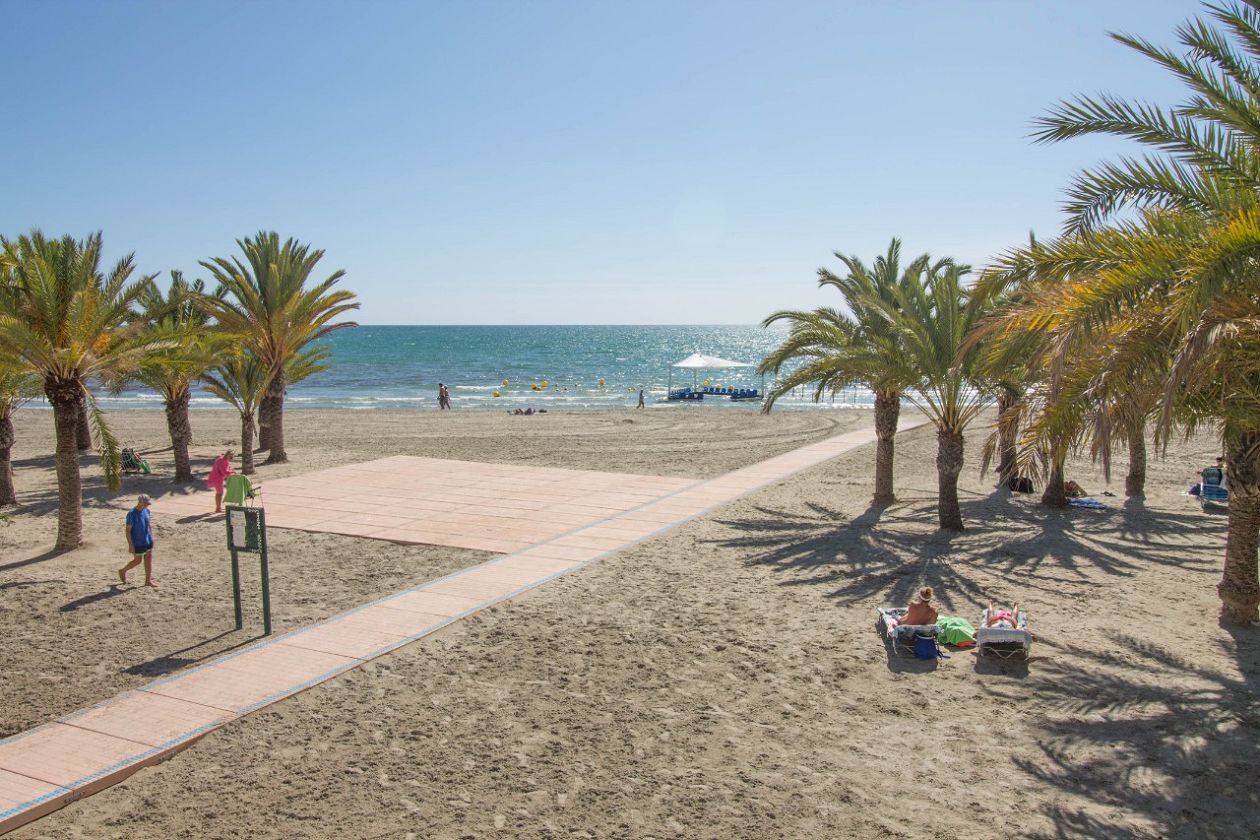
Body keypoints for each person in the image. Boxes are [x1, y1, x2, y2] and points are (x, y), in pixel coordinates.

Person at [119, 494, 155, 587]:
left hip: (147, 540)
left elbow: (148, 525)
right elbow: (128, 531)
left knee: (148, 559)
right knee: (137, 561)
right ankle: (123, 571)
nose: (147, 505)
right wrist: (130, 545)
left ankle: (148, 581)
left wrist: (151, 537)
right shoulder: (131, 514)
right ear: (140, 502)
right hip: (137, 542)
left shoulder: (147, 511)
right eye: (146, 503)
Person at [208, 449, 234, 513]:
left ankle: (218, 508)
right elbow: (224, 472)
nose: (232, 457)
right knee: (219, 493)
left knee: (219, 492)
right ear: (227, 454)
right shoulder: (221, 461)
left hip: (219, 478)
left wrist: (232, 472)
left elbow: (229, 468)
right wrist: (231, 473)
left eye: (233, 456)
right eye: (231, 456)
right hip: (216, 478)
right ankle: (218, 508)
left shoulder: (224, 460)